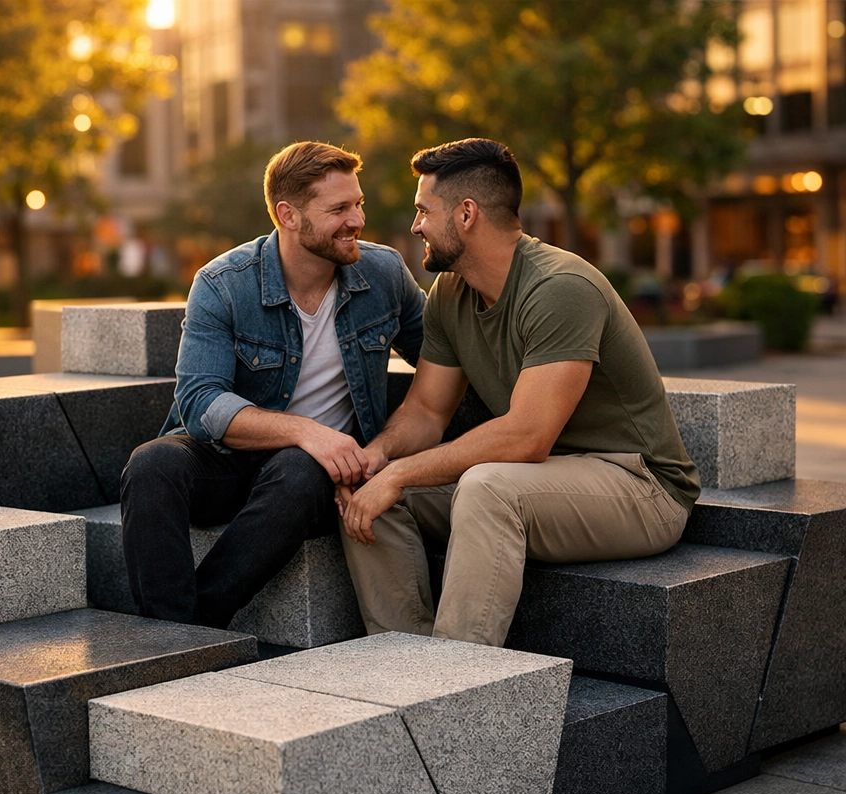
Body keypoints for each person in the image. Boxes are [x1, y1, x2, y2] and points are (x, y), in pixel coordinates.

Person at [338, 138, 699, 647]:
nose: (415, 224)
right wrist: (379, 458)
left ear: (466, 214)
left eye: (423, 210)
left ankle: (455, 685)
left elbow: (528, 436)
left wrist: (401, 472)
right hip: (539, 479)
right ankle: (405, 665)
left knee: (487, 489)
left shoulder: (560, 288)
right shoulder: (451, 292)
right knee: (373, 495)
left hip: (639, 486)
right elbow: (424, 410)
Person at [120, 141, 425, 628]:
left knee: (302, 469)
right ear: (289, 214)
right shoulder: (224, 283)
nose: (357, 220)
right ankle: (170, 636)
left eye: (358, 203)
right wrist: (306, 430)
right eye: (339, 208)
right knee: (151, 463)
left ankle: (191, 628)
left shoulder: (383, 273)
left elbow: (441, 360)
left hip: (313, 480)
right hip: (227, 461)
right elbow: (200, 403)